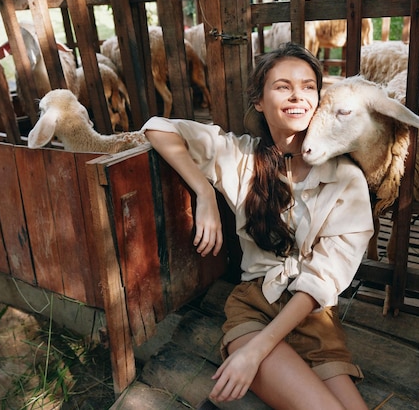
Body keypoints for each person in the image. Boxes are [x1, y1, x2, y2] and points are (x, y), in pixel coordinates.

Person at [142, 42, 373, 410]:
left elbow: (323, 280)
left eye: (308, 86)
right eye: (282, 86)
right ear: (259, 101)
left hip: (312, 316)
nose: (297, 95)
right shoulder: (241, 156)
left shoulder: (346, 179)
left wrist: (257, 354)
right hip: (254, 306)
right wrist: (204, 190)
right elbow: (158, 127)